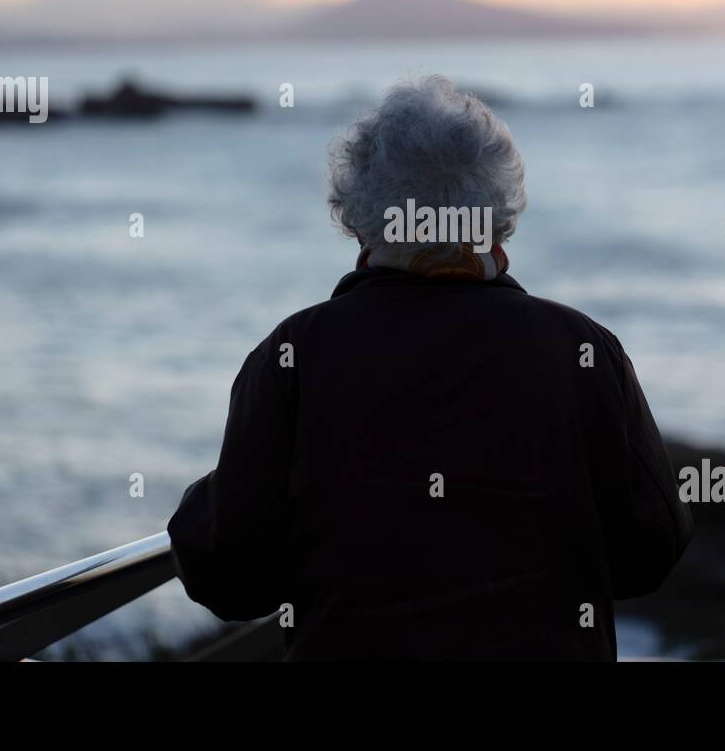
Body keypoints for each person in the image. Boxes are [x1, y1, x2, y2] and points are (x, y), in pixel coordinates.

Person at [168, 75, 692, 660]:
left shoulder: (293, 355)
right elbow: (651, 547)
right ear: (498, 213)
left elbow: (230, 576)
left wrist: (206, 504)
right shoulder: (584, 350)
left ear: (359, 213)